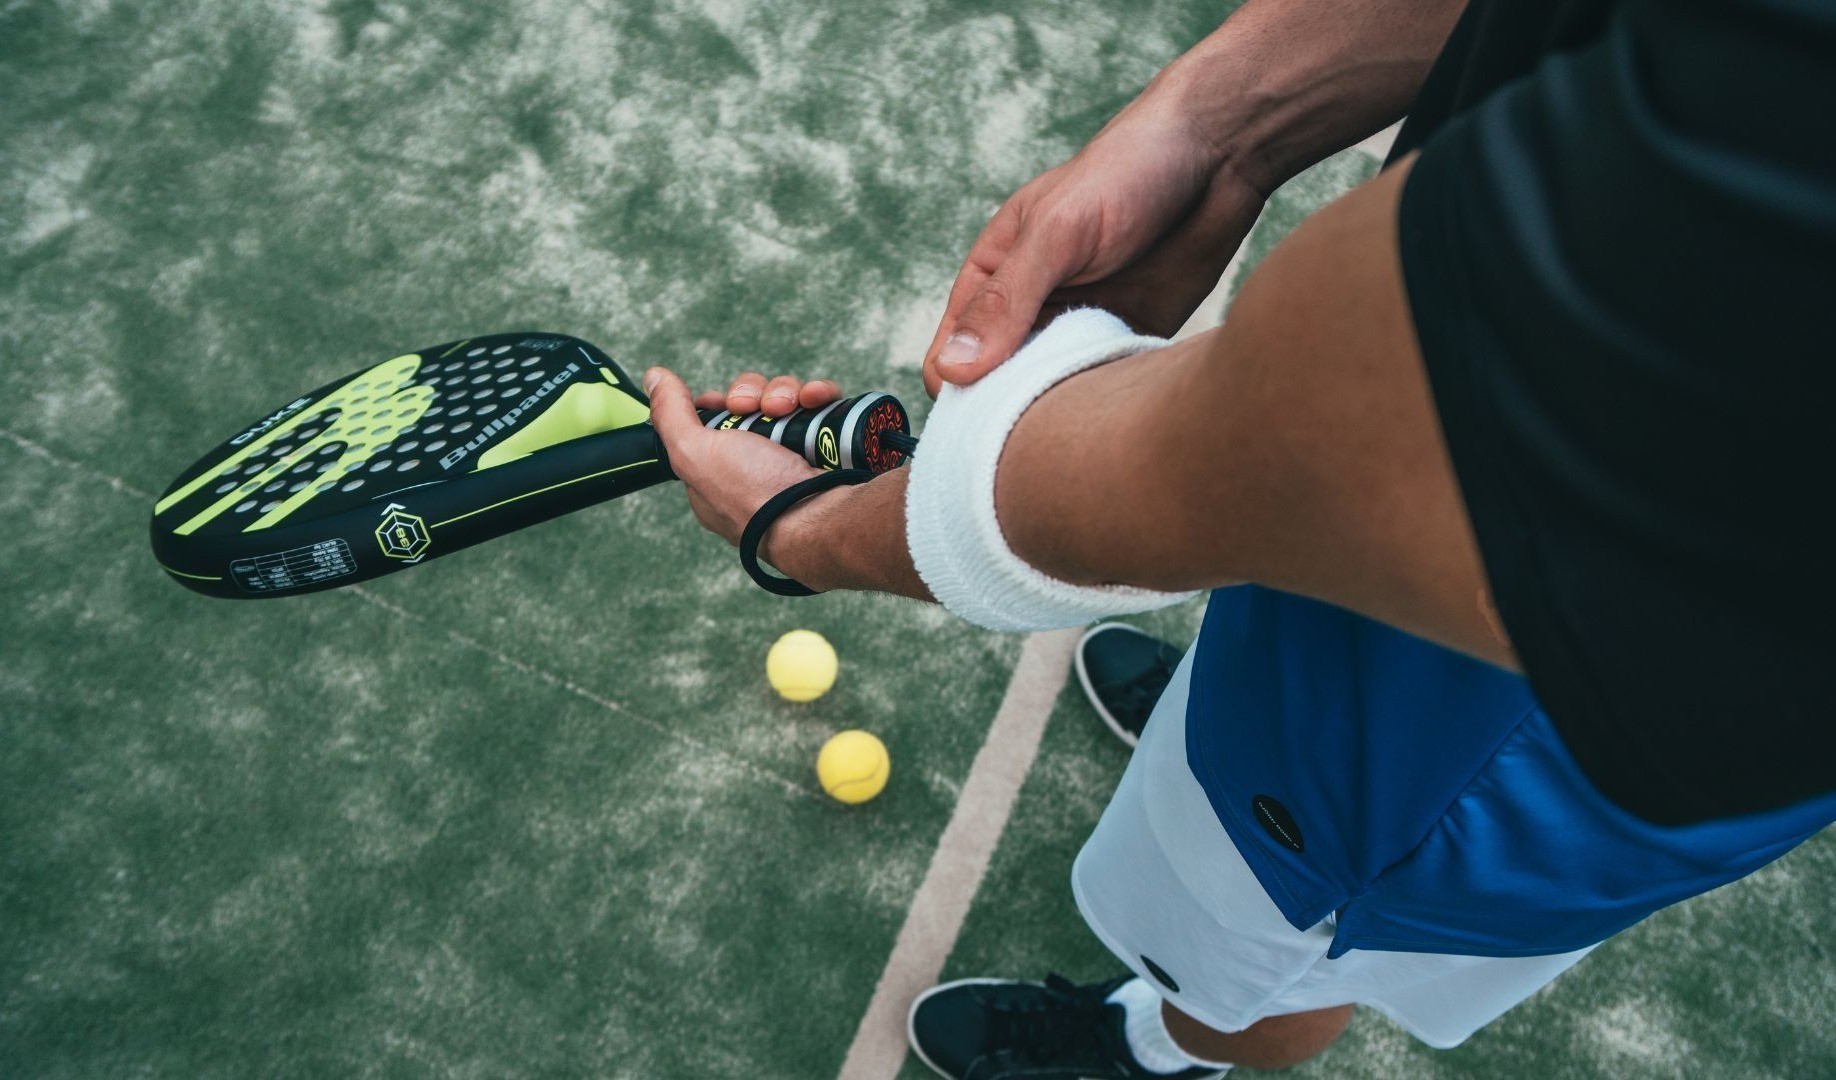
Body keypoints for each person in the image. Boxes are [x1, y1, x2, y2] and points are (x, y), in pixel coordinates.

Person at [643, 0, 1836, 1072]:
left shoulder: (1761, 169)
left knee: (1272, 960)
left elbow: (1272, 461)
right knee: (1263, 692)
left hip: (1477, 752)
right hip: (1471, 569)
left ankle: (1159, 1046)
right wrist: (1213, 127)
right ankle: (1218, 731)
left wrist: (801, 530)